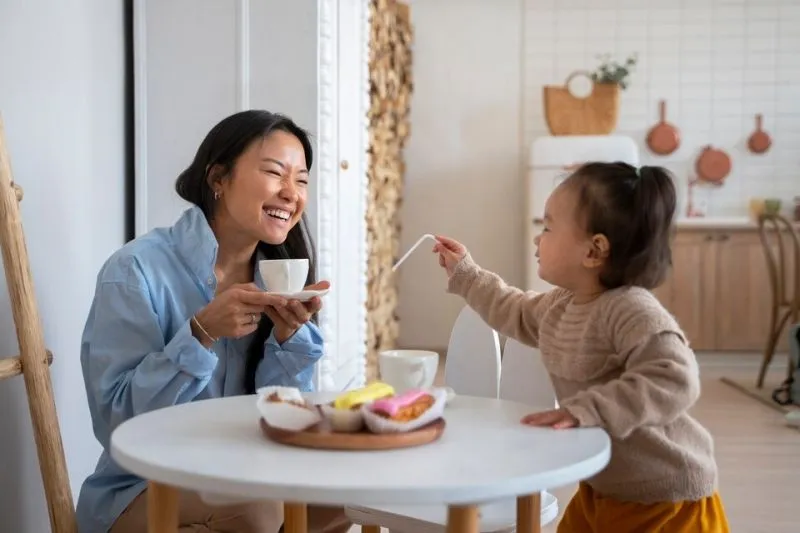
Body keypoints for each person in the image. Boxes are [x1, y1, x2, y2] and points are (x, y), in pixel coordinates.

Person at [76, 110, 351, 533]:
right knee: (259, 509)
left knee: (345, 497)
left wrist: (288, 339)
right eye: (276, 173)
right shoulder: (135, 270)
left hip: (245, 473)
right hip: (142, 489)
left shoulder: (277, 277)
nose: (290, 193)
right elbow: (117, 422)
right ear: (218, 179)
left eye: (301, 180)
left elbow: (282, 423)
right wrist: (200, 334)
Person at [432, 162, 730, 532]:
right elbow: (514, 310)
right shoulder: (563, 304)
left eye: (548, 227)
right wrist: (466, 274)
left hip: (664, 498)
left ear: (594, 251)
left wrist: (585, 410)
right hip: (603, 487)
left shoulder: (630, 308)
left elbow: (675, 379)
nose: (538, 238)